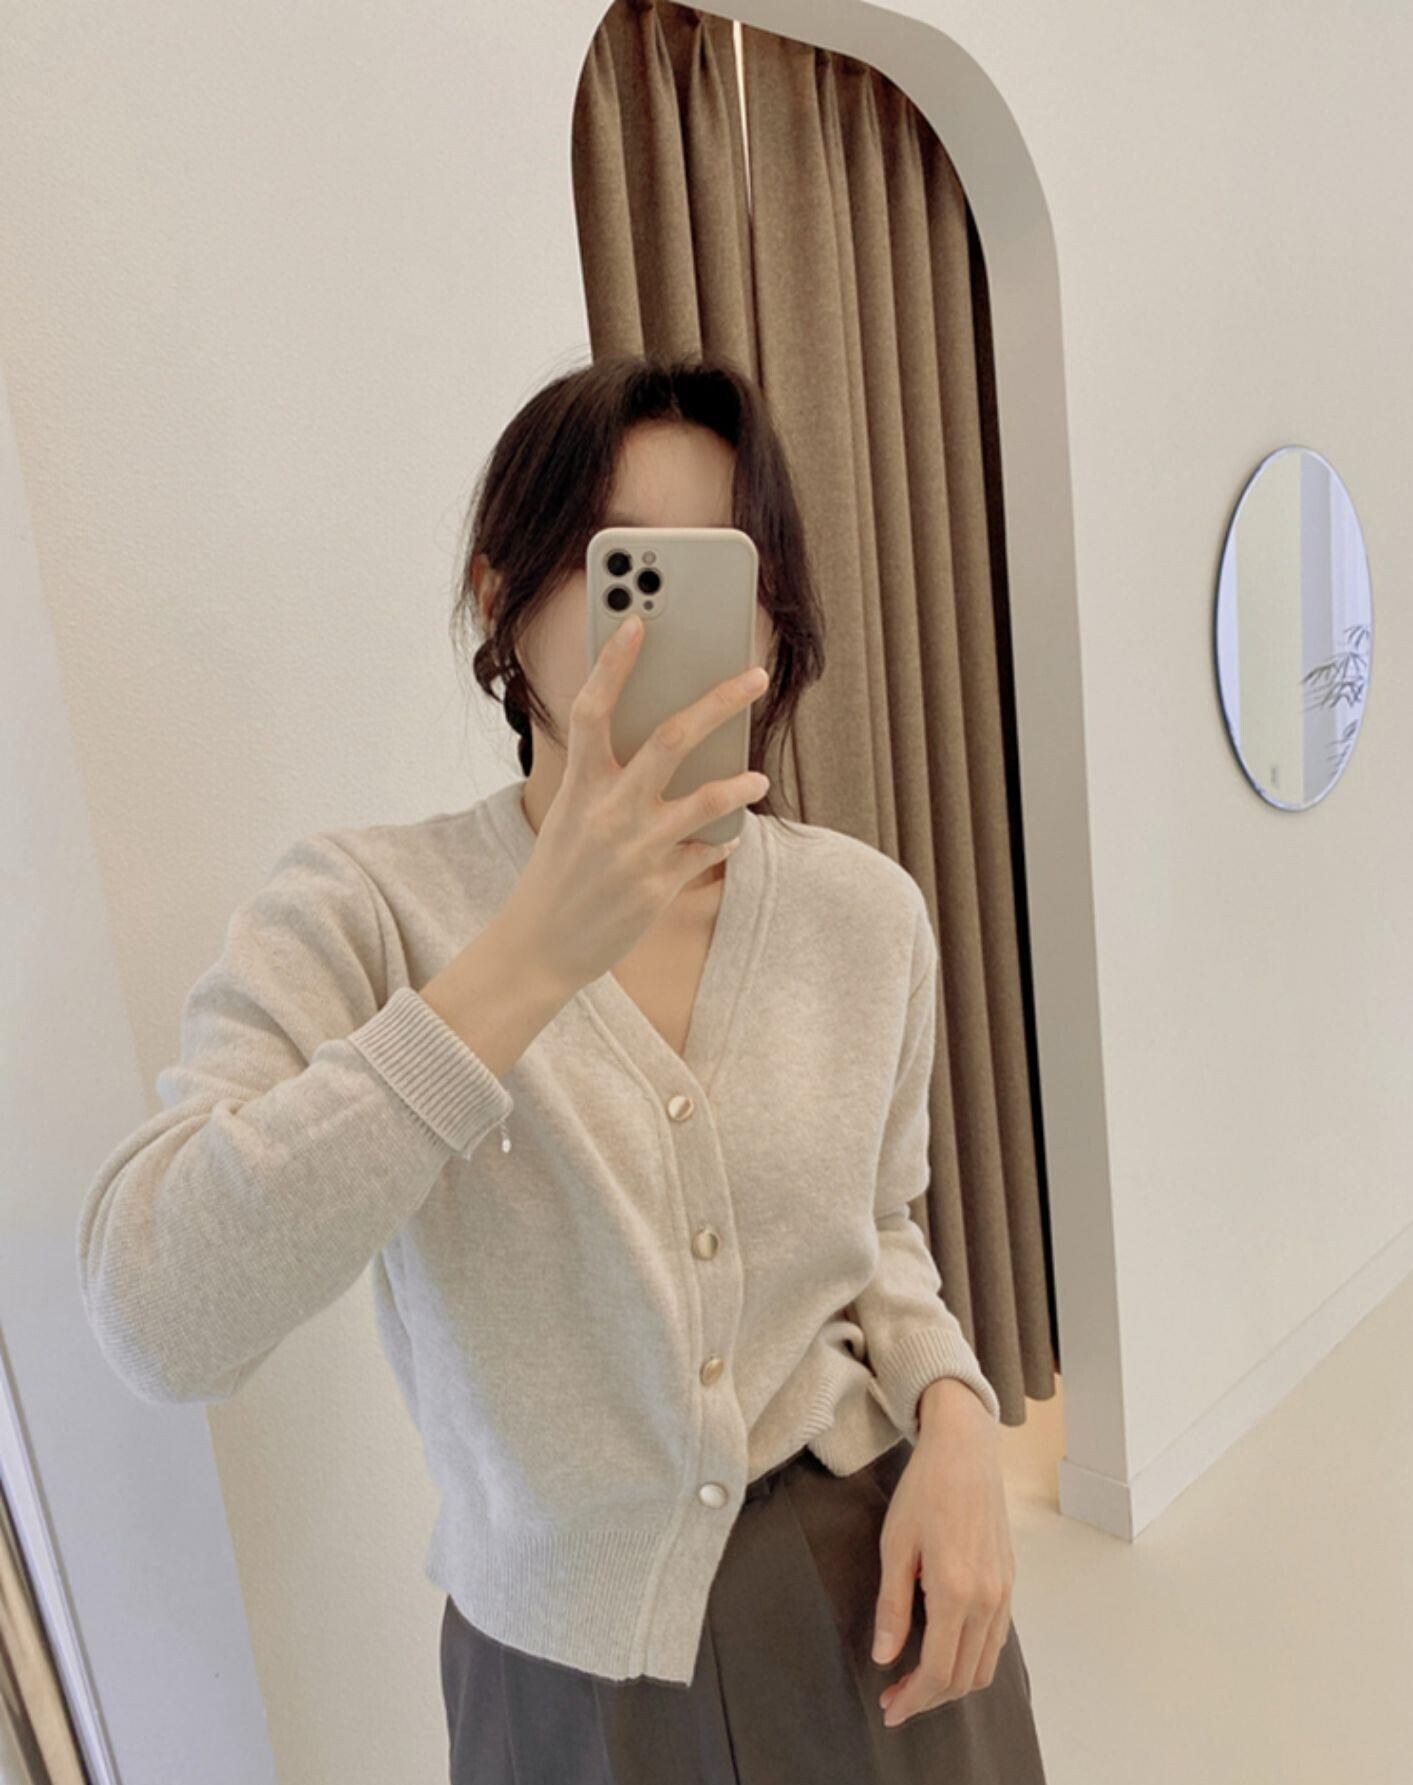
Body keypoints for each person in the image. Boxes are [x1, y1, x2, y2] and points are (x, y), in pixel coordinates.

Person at [78, 354, 1047, 1784]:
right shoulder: (364, 910)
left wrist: (955, 1416)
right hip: (558, 1676)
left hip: (867, 1592)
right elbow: (155, 1314)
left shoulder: (865, 914)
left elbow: (881, 1230)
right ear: (500, 596)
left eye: (725, 573)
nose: (670, 631)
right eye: (625, 573)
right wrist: (525, 959)